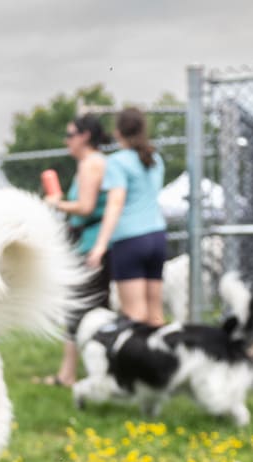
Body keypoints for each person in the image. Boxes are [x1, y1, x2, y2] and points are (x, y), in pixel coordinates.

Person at [41, 114, 112, 387]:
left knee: (79, 309)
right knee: (93, 309)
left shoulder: (91, 164)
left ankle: (69, 375)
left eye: (70, 135)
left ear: (85, 137)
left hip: (91, 247)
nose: (66, 141)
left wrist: (56, 203)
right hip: (91, 244)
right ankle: (94, 372)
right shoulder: (94, 163)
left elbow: (85, 206)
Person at [88, 107, 168, 325]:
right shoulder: (155, 159)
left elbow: (115, 203)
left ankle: (136, 360)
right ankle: (159, 360)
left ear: (117, 132)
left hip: (130, 240)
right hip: (157, 236)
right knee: (155, 313)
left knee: (134, 315)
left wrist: (100, 245)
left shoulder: (117, 162)